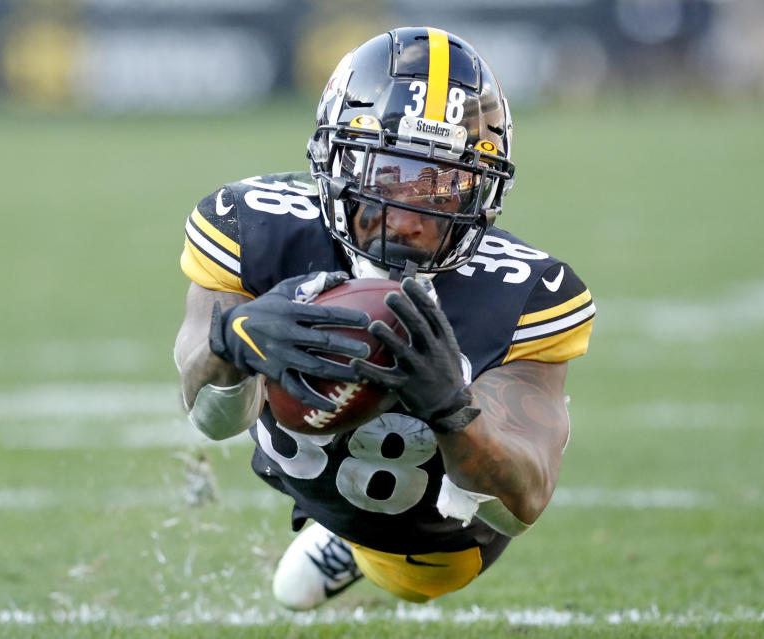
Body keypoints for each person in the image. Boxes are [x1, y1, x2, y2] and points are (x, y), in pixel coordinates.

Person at [174, 27, 595, 610]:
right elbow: (208, 416)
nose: (406, 220)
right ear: (336, 160)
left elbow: (521, 502)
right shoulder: (256, 226)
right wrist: (234, 340)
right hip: (300, 464)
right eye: (387, 174)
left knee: (419, 582)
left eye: (443, 186)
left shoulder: (526, 292)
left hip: (430, 539)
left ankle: (355, 551)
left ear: (482, 195)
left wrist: (454, 411)